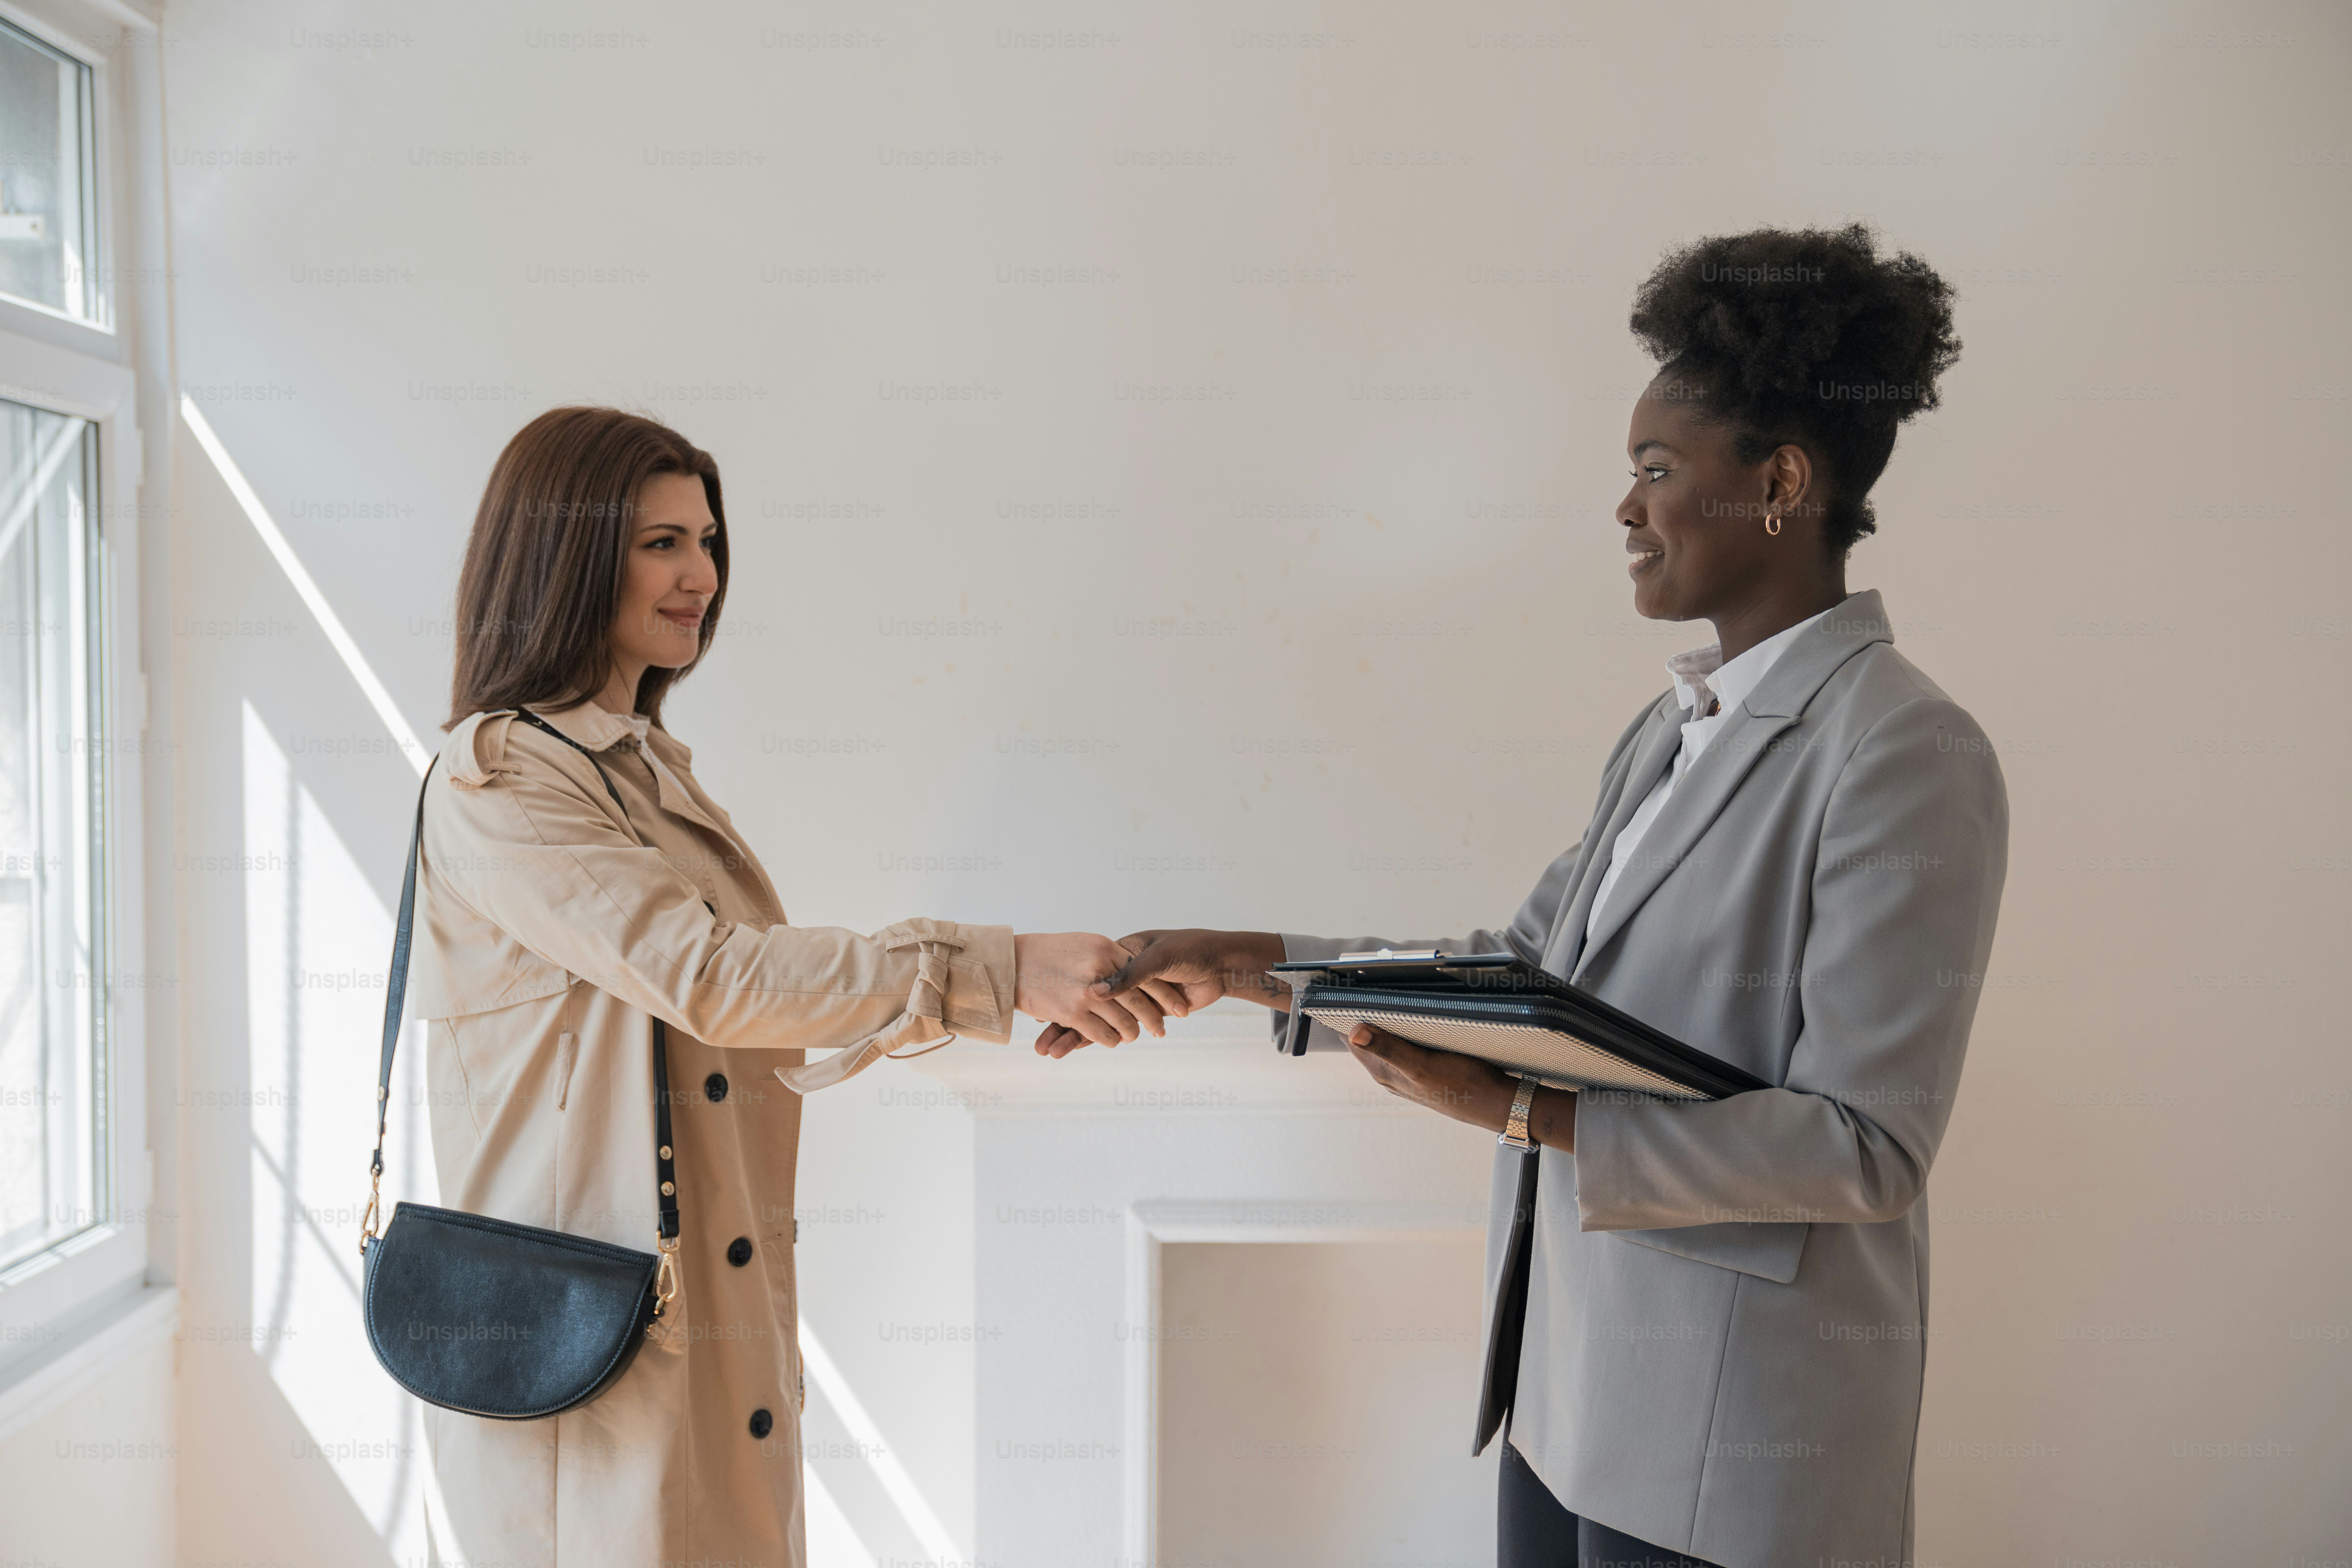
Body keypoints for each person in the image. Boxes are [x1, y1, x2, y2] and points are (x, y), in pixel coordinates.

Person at [1068, 224, 2007, 1568]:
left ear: (1782, 481)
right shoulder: (1670, 728)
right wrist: (1245, 960)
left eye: (1656, 470)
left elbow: (1864, 1145)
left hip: (1734, 1454)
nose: (1626, 508)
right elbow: (1515, 970)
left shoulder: (1905, 749)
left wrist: (1522, 1108)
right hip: (1565, 1407)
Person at [405, 406, 1159, 1565]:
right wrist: (993, 971)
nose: (700, 575)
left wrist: (994, 996)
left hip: (700, 1323)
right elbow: (712, 979)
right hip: (585, 1360)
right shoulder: (500, 782)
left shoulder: (645, 774)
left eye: (706, 540)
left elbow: (749, 1029)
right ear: (566, 553)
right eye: (661, 542)